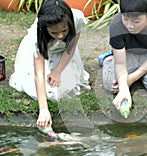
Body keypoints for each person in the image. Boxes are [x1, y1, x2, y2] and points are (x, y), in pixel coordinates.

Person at [9, 0, 91, 130]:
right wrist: (43, 109)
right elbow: (39, 72)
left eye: (64, 30)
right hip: (42, 52)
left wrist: (57, 71)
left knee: (65, 88)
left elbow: (71, 47)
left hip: (64, 53)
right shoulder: (37, 34)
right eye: (54, 33)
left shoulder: (77, 18)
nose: (60, 36)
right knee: (47, 92)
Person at [101, 0, 147, 111]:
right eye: (125, 19)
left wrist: (131, 79)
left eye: (136, 21)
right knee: (111, 85)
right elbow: (120, 63)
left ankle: (137, 73)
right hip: (127, 54)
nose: (130, 26)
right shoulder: (116, 24)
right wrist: (124, 88)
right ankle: (109, 58)